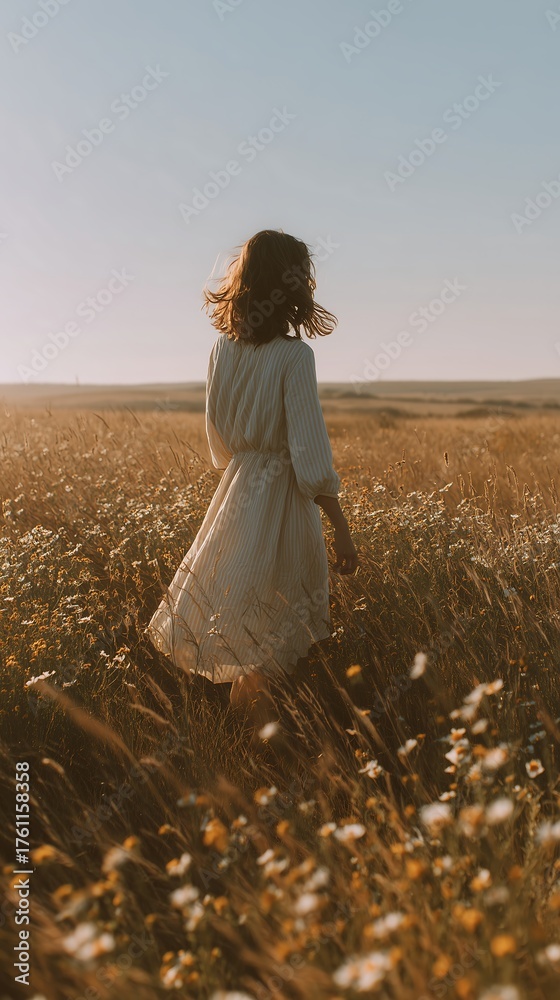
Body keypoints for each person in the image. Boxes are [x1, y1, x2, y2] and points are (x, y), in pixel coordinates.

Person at [147, 229, 358, 736]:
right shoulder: (294, 357)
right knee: (272, 626)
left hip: (237, 492)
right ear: (290, 287)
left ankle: (246, 742)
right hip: (284, 500)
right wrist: (342, 529)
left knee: (245, 616)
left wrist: (248, 466)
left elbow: (218, 446)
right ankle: (263, 748)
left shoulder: (222, 351)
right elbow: (309, 454)